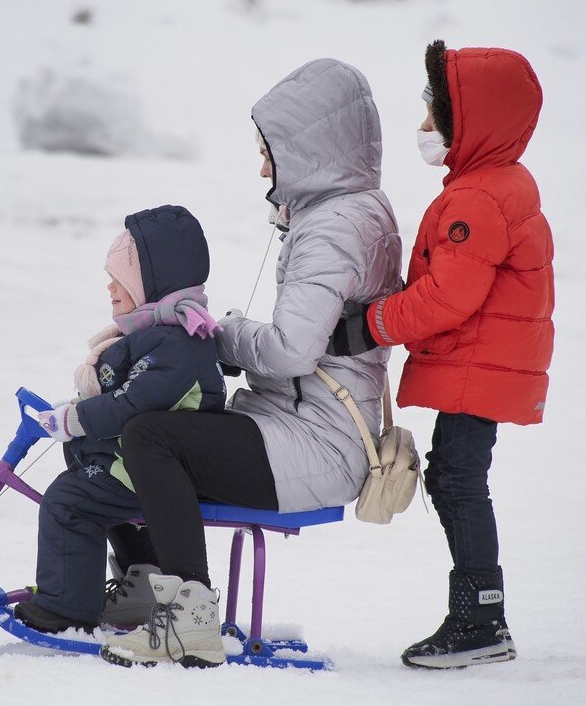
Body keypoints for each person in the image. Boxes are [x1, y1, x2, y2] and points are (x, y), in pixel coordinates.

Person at [98, 58, 402, 668]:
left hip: (318, 444)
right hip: (304, 428)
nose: (262, 167)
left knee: (150, 435)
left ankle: (188, 616)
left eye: (270, 152)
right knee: (144, 424)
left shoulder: (334, 227)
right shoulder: (342, 214)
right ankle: (146, 595)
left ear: (311, 148)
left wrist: (221, 335)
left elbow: (292, 347)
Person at [329, 41, 554, 669]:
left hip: (480, 363)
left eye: (435, 116)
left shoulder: (478, 199)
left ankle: (480, 620)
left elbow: (447, 297)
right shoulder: (494, 184)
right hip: (486, 360)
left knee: (457, 479)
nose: (423, 129)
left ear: (470, 122)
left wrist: (369, 324)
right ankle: (481, 615)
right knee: (456, 476)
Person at [12, 205, 227, 634]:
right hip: (133, 465)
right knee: (86, 492)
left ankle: (67, 608)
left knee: (69, 503)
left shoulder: (178, 343)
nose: (110, 287)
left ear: (150, 282)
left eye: (121, 279)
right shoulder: (157, 334)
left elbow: (132, 405)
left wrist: (74, 420)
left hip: (158, 472)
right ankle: (142, 578)